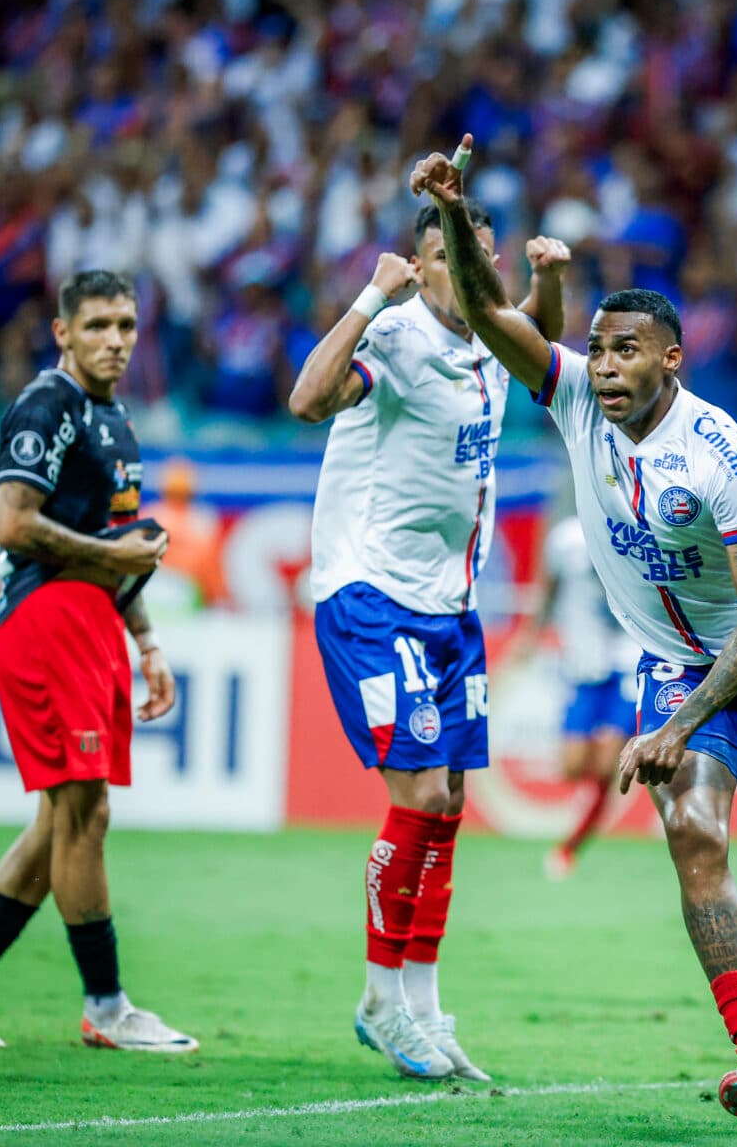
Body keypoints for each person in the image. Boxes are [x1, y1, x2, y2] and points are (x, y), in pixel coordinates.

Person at [412, 135, 737, 1127]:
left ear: (671, 361)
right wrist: (456, 210)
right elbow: (481, 310)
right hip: (671, 662)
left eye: (625, 350)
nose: (601, 366)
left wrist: (682, 719)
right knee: (693, 831)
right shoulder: (571, 402)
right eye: (595, 348)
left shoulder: (725, 455)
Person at [286, 201, 566, 1082]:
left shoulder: (488, 331)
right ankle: (379, 998)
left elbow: (538, 344)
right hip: (373, 595)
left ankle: (423, 1005)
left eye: (485, 262)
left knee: (448, 804)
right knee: (420, 792)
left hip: (452, 605)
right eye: (453, 261)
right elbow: (305, 401)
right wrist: (369, 300)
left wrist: (546, 281)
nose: (474, 279)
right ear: (421, 263)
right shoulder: (399, 336)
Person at [0, 270, 196, 1053]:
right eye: (99, 325)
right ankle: (105, 1008)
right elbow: (13, 525)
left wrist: (146, 643)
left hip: (94, 622)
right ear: (63, 332)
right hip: (46, 617)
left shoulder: (116, 422)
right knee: (84, 814)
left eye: (128, 326)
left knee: (63, 818)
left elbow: (118, 557)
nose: (116, 340)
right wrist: (108, 552)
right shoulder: (48, 406)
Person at [530, 512, 643, 880]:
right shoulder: (564, 537)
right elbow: (548, 590)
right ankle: (588, 807)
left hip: (628, 660)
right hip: (583, 663)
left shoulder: (636, 527)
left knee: (610, 759)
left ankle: (571, 846)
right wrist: (530, 635)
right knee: (574, 764)